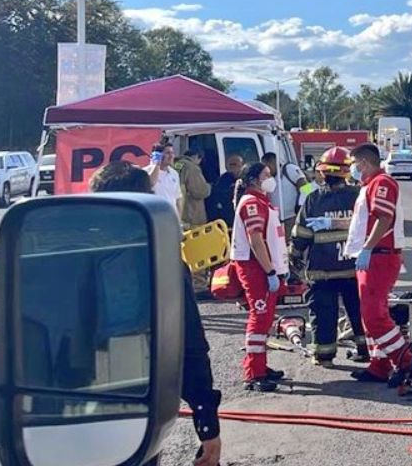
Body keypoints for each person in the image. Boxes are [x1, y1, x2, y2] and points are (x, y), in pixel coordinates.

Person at [88, 160, 222, 466]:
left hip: (61, 419)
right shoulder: (159, 263)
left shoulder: (60, 257)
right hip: (135, 413)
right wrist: (206, 423)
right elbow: (189, 347)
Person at [291, 147, 367, 366]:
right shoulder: (358, 195)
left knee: (323, 313)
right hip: (353, 267)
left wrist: (294, 255)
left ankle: (324, 356)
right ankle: (365, 349)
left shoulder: (314, 199)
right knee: (359, 310)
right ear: (347, 172)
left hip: (322, 269)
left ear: (322, 173)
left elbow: (302, 233)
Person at [345, 143, 411, 383]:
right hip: (373, 255)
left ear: (364, 162)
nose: (352, 168)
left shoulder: (381, 183)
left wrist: (368, 247)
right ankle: (379, 365)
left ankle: (406, 361)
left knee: (374, 316)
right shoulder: (370, 185)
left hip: (379, 256)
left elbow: (384, 218)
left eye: (354, 163)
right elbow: (366, 221)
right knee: (370, 315)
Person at [229, 162, 290, 391]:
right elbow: (256, 240)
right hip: (257, 268)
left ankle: (261, 366)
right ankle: (254, 373)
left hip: (263, 267)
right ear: (254, 179)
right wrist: (270, 271)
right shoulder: (252, 203)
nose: (270, 178)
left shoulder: (260, 201)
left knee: (264, 318)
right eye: (266, 175)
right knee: (260, 316)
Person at [145, 142, 182, 217]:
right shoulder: (146, 171)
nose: (171, 156)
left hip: (171, 217)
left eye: (172, 153)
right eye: (167, 153)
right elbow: (151, 182)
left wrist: (179, 219)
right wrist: (156, 164)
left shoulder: (174, 173)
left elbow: (178, 198)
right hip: (155, 216)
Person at [206, 154, 244, 225]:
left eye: (235, 164)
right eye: (231, 165)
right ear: (227, 166)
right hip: (226, 217)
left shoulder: (245, 180)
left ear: (241, 166)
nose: (233, 167)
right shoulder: (222, 180)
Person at [177, 149, 211, 228]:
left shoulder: (177, 164)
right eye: (200, 160)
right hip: (191, 215)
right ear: (196, 156)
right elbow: (200, 191)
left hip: (179, 212)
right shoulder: (192, 167)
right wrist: (209, 187)